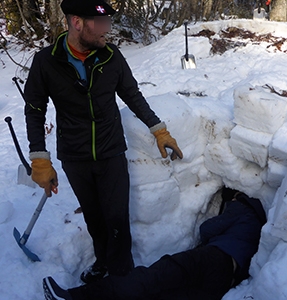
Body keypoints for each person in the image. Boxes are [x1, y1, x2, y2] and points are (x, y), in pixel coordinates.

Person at [24, 0, 183, 284]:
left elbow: (133, 96)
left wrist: (159, 130)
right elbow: (35, 109)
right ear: (76, 23)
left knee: (117, 217)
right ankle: (102, 260)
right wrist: (40, 158)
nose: (106, 31)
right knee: (95, 218)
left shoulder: (111, 57)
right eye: (100, 24)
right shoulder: (47, 61)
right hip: (74, 155)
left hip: (110, 151)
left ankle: (122, 274)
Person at [43, 190, 267, 300]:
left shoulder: (242, 209)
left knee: (149, 279)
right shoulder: (259, 231)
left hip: (209, 258)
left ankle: (73, 297)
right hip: (223, 282)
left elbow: (206, 230)